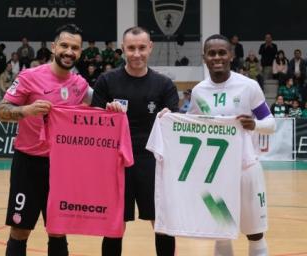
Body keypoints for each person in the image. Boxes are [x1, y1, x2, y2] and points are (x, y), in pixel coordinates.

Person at [0, 23, 122, 256]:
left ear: (80, 52)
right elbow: (2, 111)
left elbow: (101, 111)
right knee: (20, 229)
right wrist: (28, 110)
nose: (69, 51)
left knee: (58, 229)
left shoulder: (80, 85)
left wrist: (112, 109)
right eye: (64, 45)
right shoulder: (29, 77)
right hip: (29, 163)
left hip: (62, 167)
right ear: (54, 47)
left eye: (74, 48)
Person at [91, 26, 179, 256]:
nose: (136, 53)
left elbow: (175, 127)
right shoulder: (106, 81)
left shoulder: (164, 85)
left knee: (161, 223)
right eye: (131, 48)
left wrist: (169, 117)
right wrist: (106, 113)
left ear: (150, 47)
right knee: (114, 225)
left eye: (142, 47)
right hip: (116, 162)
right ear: (123, 49)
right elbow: (93, 126)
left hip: (152, 161)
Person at [188, 34, 276, 256]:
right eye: (212, 53)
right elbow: (190, 126)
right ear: (204, 58)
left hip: (247, 169)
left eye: (222, 52)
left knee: (255, 233)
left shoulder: (248, 86)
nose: (217, 57)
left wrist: (253, 124)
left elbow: (271, 123)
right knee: (222, 232)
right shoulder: (199, 91)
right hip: (216, 174)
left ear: (231, 55)